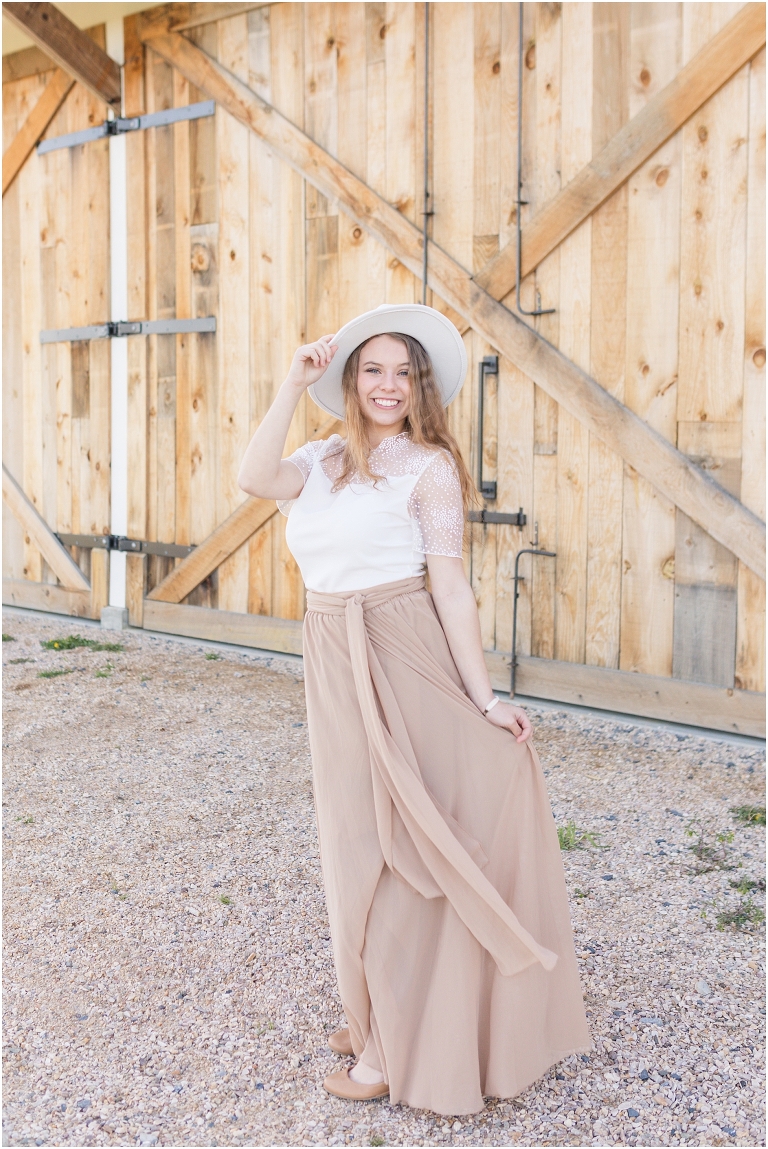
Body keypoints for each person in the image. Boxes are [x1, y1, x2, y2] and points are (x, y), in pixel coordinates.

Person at [238, 304, 590, 1116]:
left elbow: (451, 587)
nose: (388, 384)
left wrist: (486, 699)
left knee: (408, 840)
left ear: (419, 385)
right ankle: (374, 1005)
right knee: (354, 837)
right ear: (350, 381)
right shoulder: (321, 458)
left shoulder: (428, 468)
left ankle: (392, 1043)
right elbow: (254, 479)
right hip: (331, 649)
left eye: (403, 371)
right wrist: (292, 383)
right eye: (373, 369)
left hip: (403, 647)